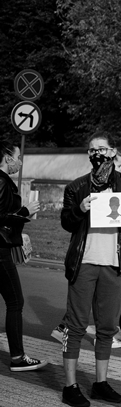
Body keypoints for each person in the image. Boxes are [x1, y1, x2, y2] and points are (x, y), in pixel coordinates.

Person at [60, 132, 121, 406]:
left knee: (107, 327)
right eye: (92, 149)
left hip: (112, 262)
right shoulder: (76, 187)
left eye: (102, 149)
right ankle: (70, 386)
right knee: (76, 326)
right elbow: (67, 223)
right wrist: (80, 209)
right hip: (84, 262)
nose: (97, 153)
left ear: (113, 152)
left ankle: (100, 383)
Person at [0, 140, 48, 373]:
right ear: (7, 158)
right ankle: (18, 357)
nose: (20, 162)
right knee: (15, 302)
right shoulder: (1, 181)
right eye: (18, 157)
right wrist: (24, 212)